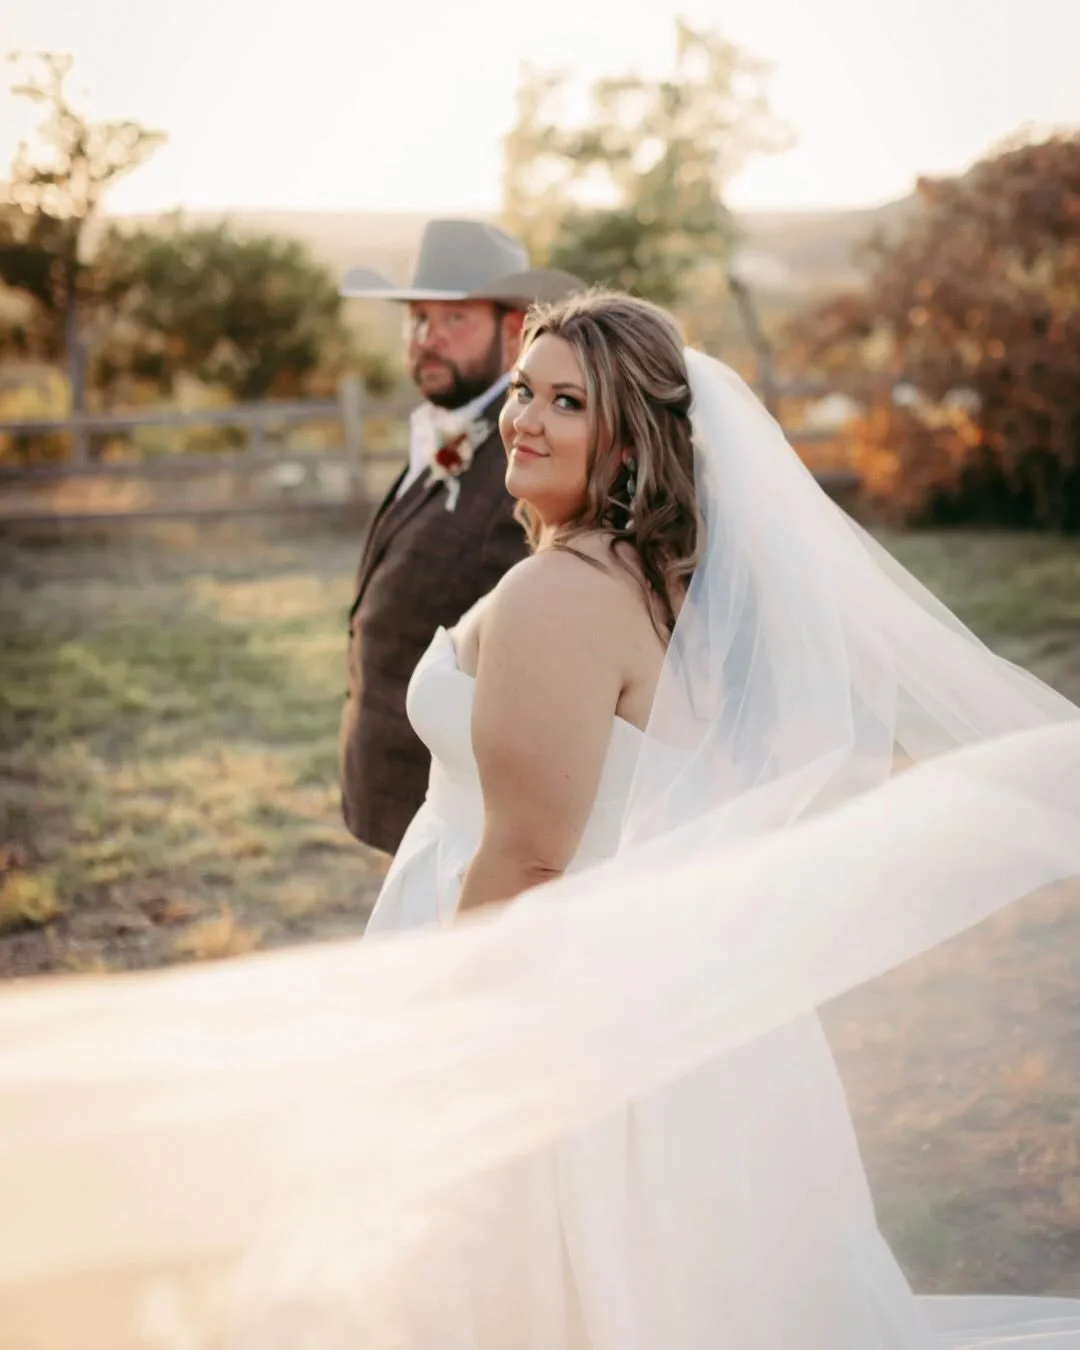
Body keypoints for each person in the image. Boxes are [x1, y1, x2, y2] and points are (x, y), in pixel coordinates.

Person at [1, 294, 1079, 1350]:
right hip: (664, 998)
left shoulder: (558, 596)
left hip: (544, 994)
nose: (524, 418)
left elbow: (525, 859)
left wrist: (446, 1046)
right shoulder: (663, 578)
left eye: (570, 403)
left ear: (632, 441)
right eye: (525, 390)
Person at [338, 218, 583, 856]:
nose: (428, 338)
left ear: (513, 332)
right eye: (417, 318)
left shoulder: (527, 458)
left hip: (459, 821)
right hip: (392, 794)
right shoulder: (443, 430)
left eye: (453, 319)